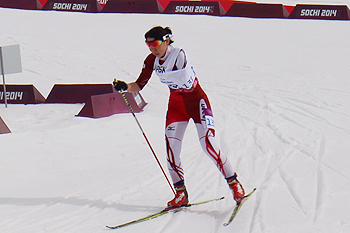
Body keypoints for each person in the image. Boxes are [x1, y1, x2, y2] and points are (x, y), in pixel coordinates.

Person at [113, 26, 245, 208]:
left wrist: (158, 73)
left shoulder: (179, 55)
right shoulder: (151, 60)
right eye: (148, 45)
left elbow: (182, 80)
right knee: (171, 149)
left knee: (209, 146)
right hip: (177, 104)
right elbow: (139, 84)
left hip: (196, 101)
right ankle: (181, 194)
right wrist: (126, 87)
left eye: (156, 44)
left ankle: (234, 183)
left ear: (167, 40)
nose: (152, 49)